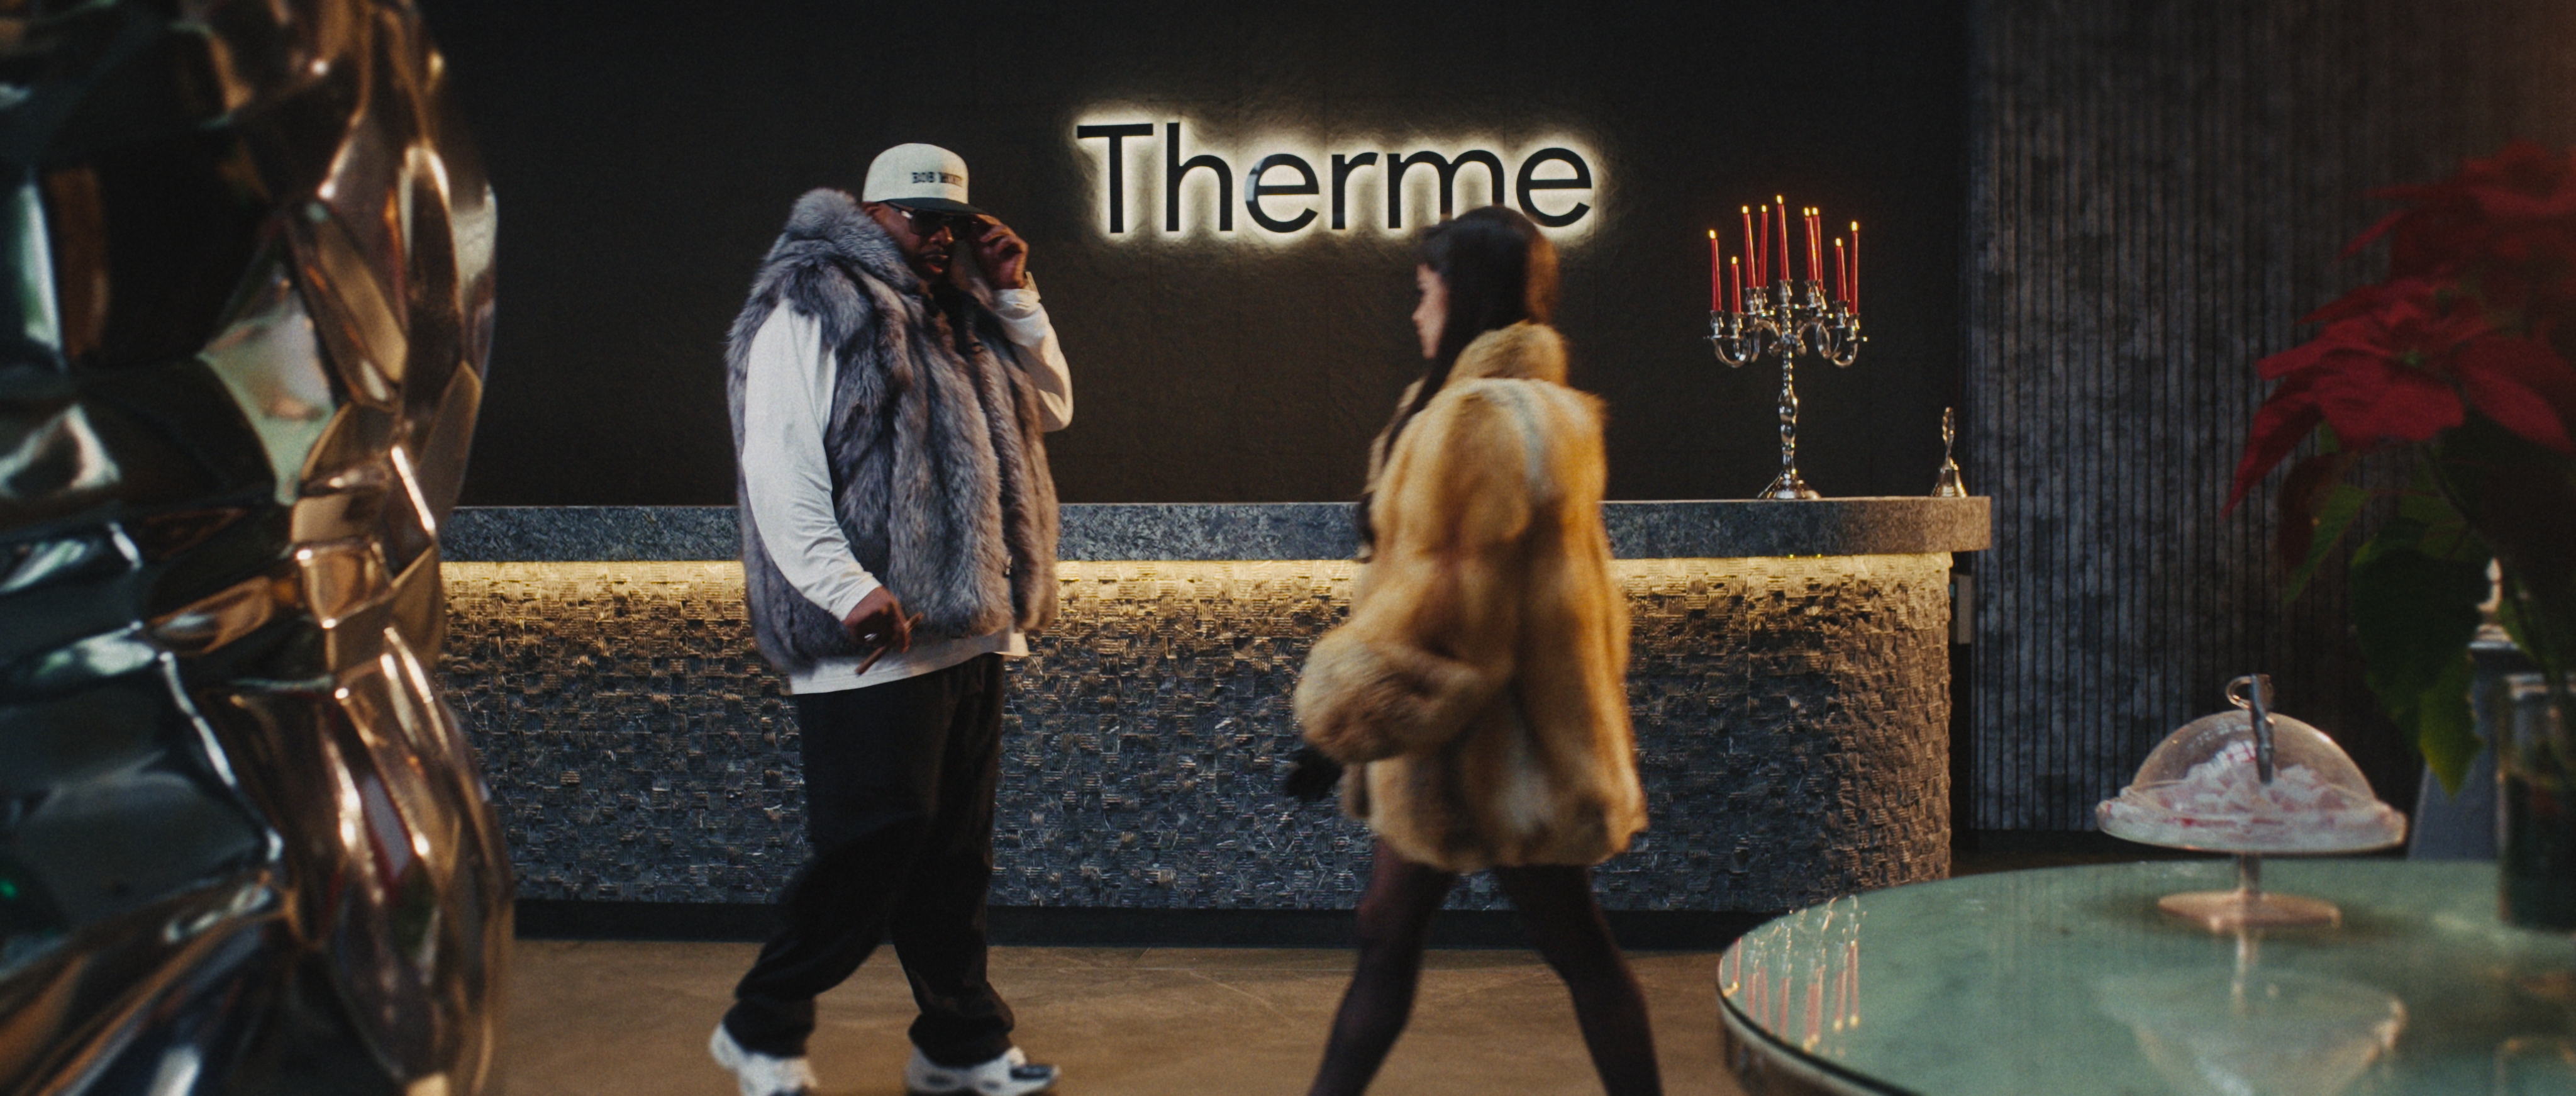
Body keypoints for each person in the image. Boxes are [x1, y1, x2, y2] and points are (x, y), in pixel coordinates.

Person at [708, 143, 1069, 1096]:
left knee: (954, 857)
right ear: (871, 211)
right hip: (872, 636)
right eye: (920, 217)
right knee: (874, 845)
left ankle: (960, 1045)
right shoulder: (814, 301)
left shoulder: (961, 311)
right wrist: (844, 587)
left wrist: (1014, 292)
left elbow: (1052, 406)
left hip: (968, 625)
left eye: (951, 220)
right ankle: (760, 1023)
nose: (938, 234)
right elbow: (777, 460)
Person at [1288, 205, 1661, 1095]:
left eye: (1425, 291)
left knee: (1556, 945)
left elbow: (1451, 620)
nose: (1416, 311)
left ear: (1463, 295)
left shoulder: (1477, 419)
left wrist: (1339, 723)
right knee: (1398, 930)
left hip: (1488, 746)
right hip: (1503, 737)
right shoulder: (1540, 410)